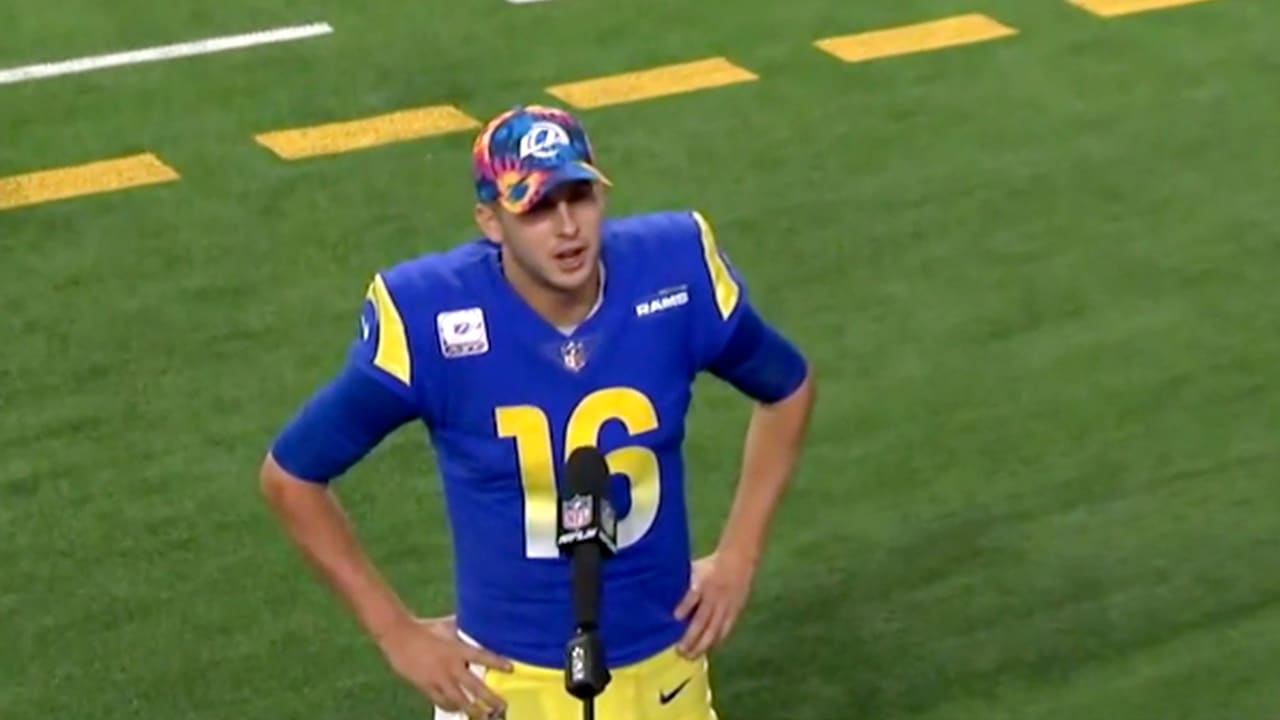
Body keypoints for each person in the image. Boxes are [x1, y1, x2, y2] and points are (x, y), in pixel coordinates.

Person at [259, 104, 815, 720]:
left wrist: (739, 555)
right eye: (537, 208)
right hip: (507, 687)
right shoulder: (431, 316)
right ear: (490, 222)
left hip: (665, 671)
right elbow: (292, 476)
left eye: (579, 196)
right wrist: (396, 633)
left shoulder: (674, 269)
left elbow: (787, 387)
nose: (567, 226)